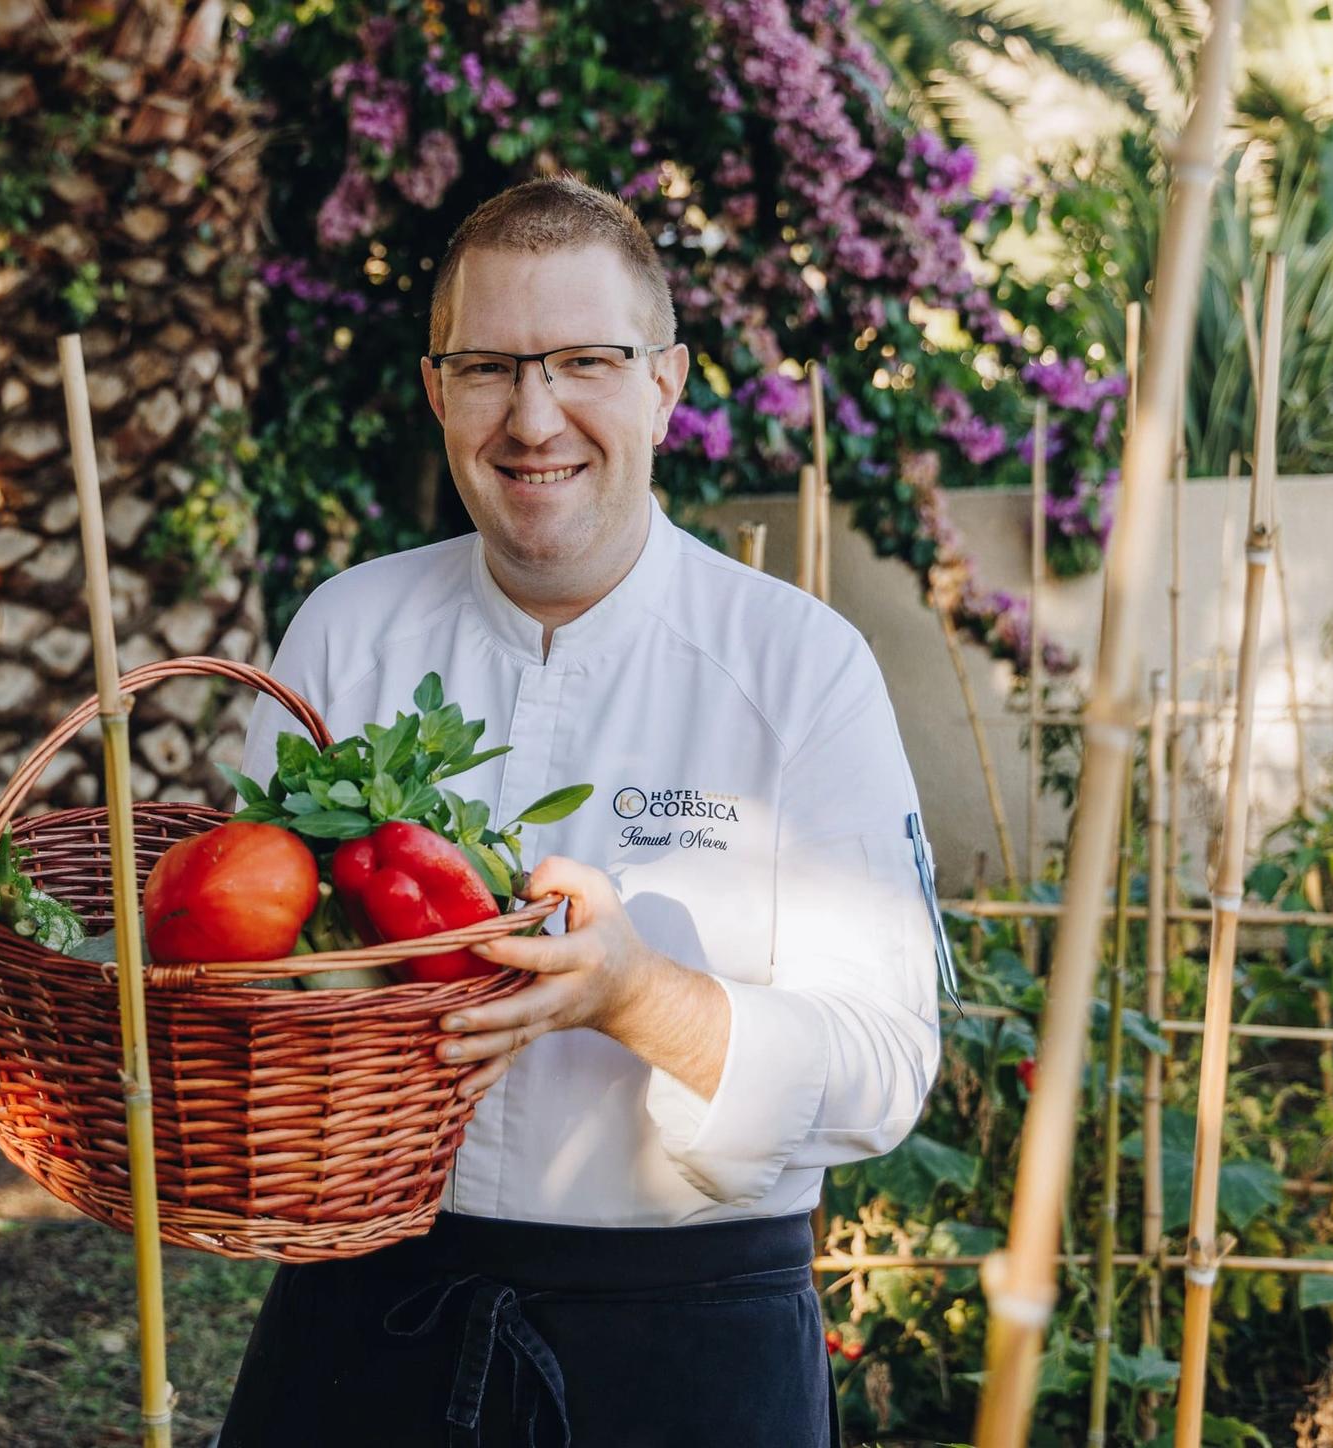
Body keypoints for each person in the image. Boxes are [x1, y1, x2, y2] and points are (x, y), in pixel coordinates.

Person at [219, 173, 948, 1447]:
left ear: (665, 383)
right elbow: (244, 960)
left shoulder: (798, 667)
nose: (533, 413)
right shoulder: (343, 630)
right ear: (438, 390)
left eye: (584, 361)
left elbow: (884, 1067)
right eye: (491, 366)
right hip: (365, 1316)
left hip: (691, 1347)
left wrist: (633, 993)